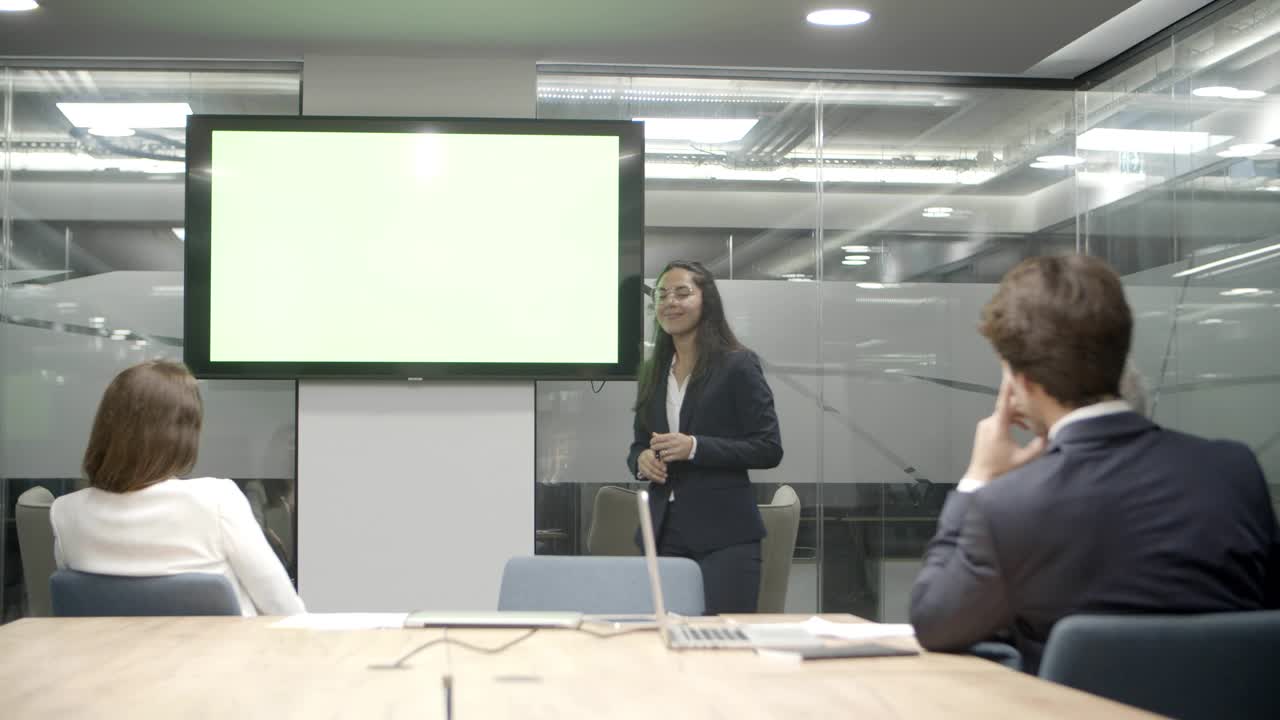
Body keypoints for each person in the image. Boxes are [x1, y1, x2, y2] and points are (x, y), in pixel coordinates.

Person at [909, 255, 1279, 672]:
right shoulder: (1233, 471)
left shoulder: (1006, 507)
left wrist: (978, 478)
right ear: (1120, 353)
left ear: (1022, 382)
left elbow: (933, 622)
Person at [50, 360, 305, 616]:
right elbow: (283, 607)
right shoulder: (216, 501)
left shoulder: (65, 513)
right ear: (182, 436)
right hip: (219, 654)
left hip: (111, 654)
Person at [627, 260, 783, 615]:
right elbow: (639, 443)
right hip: (662, 532)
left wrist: (695, 447)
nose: (671, 302)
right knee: (661, 644)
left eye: (683, 293)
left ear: (706, 301)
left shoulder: (738, 365)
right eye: (663, 294)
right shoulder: (652, 371)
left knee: (721, 646)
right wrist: (641, 460)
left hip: (725, 536)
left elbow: (768, 447)